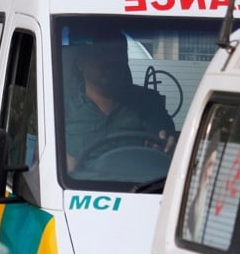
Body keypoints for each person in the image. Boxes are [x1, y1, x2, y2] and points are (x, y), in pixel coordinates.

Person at [63, 26, 175, 170]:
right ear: (81, 63)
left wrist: (165, 145)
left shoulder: (148, 104)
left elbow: (164, 141)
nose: (111, 61)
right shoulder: (61, 108)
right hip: (74, 188)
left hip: (137, 189)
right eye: (102, 53)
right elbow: (41, 157)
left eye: (119, 54)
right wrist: (60, 162)